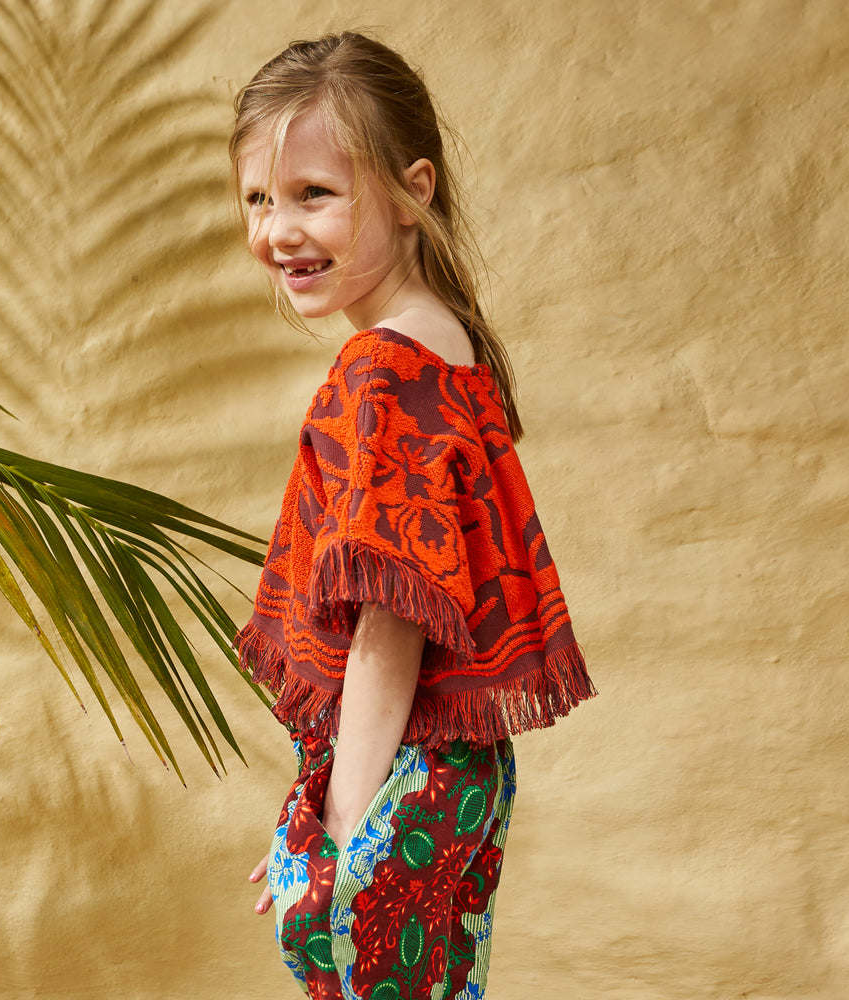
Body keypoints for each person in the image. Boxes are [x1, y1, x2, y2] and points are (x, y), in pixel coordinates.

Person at [232, 32, 596, 1000]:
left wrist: (342, 824)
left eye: (313, 193)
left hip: (400, 768)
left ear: (410, 191)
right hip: (455, 770)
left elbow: (393, 620)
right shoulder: (450, 344)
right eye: (259, 199)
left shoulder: (384, 369)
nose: (278, 231)